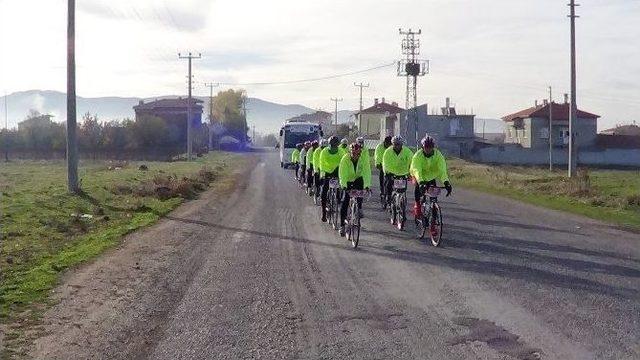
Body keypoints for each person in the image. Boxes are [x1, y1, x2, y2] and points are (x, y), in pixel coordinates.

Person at [410, 136, 452, 218]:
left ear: (433, 147)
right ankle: (417, 205)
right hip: (418, 175)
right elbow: (417, 170)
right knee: (418, 188)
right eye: (426, 147)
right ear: (423, 147)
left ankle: (432, 225)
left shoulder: (438, 155)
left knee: (433, 199)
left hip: (431, 177)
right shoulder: (417, 156)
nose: (428, 149)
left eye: (430, 147)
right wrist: (421, 182)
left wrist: (446, 183)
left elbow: (442, 170)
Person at [338, 143, 371, 236]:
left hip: (358, 179)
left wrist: (367, 185)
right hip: (347, 180)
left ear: (360, 153)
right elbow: (342, 174)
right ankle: (342, 226)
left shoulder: (363, 159)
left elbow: (366, 172)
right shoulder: (345, 159)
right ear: (350, 152)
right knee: (345, 201)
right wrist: (344, 186)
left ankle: (359, 207)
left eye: (357, 153)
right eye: (353, 153)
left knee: (360, 193)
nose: (355, 155)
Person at [382, 136, 414, 212]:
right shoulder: (388, 152)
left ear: (401, 144)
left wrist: (411, 173)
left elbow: (412, 163)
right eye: (395, 144)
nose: (396, 146)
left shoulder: (407, 151)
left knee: (402, 190)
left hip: (403, 173)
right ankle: (389, 199)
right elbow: (384, 163)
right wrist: (386, 172)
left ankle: (402, 204)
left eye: (398, 144)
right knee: (388, 184)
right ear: (392, 144)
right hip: (391, 172)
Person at [319, 136, 344, 223]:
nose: (334, 146)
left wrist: (342, 173)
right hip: (327, 172)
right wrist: (323, 174)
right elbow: (321, 163)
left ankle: (338, 200)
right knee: (324, 192)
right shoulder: (324, 151)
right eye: (332, 144)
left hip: (337, 171)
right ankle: (323, 213)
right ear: (329, 144)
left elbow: (343, 162)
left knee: (341, 188)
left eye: (335, 145)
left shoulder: (341, 151)